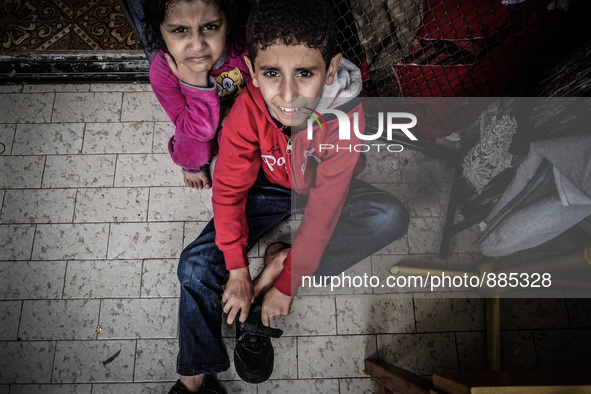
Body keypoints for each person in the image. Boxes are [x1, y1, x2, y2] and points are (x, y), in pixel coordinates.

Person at [169, 0, 410, 392]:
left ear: (330, 70)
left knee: (390, 217)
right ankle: (195, 376)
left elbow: (325, 209)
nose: (287, 94)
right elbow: (229, 189)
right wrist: (236, 269)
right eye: (270, 73)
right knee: (195, 263)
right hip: (268, 185)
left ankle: (278, 268)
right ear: (251, 71)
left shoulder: (346, 120)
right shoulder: (249, 108)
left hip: (320, 189)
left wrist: (286, 283)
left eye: (305, 73)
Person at [142, 0, 250, 189]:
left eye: (210, 27)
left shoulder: (245, 51)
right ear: (160, 31)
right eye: (179, 30)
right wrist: (195, 84)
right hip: (195, 122)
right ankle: (193, 167)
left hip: (239, 112)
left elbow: (264, 92)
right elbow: (198, 130)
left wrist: (235, 111)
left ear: (228, 24)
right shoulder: (162, 71)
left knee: (243, 146)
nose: (198, 45)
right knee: (191, 151)